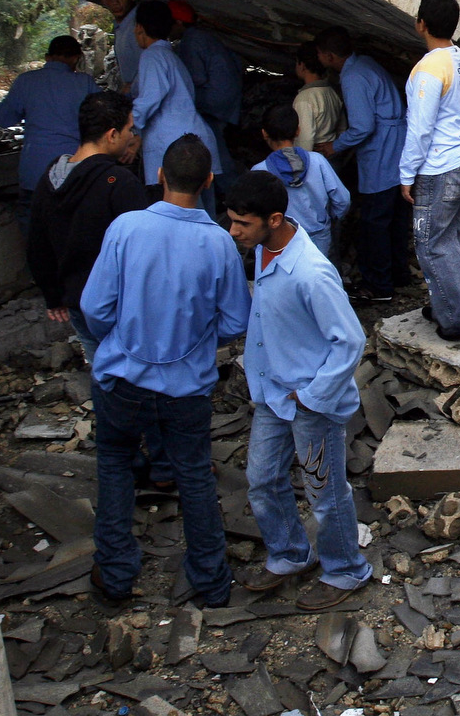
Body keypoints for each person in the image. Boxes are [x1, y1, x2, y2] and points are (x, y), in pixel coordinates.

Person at [81, 134, 250, 606]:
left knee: (114, 465)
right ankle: (211, 581)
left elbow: (95, 306)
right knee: (194, 474)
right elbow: (236, 320)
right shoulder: (219, 242)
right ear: (209, 181)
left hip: (121, 378)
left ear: (159, 174)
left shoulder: (126, 228)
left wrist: (118, 339)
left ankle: (115, 574)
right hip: (186, 386)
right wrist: (196, 343)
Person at [225, 171, 372, 611]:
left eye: (242, 224)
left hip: (309, 402)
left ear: (273, 219)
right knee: (262, 480)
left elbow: (350, 340)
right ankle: (290, 554)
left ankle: (346, 568)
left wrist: (312, 395)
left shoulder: (311, 273)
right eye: (231, 221)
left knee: (324, 493)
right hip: (272, 392)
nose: (233, 231)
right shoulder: (264, 250)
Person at [27, 90, 148, 363]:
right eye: (129, 129)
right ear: (112, 134)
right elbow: (142, 251)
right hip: (118, 304)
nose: (132, 136)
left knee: (100, 366)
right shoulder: (120, 183)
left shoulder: (50, 177)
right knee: (132, 371)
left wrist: (53, 296)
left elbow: (37, 243)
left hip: (77, 303)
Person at [400, 0, 460, 340]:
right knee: (454, 234)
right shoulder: (459, 57)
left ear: (421, 23)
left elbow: (420, 130)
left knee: (431, 241)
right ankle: (450, 304)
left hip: (442, 165)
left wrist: (406, 174)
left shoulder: (428, 69)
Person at [315, 26, 410, 301]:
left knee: (374, 222)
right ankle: (399, 274)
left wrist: (335, 146)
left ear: (330, 56)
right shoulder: (366, 62)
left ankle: (378, 285)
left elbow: (363, 127)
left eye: (321, 54)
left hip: (381, 151)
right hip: (397, 147)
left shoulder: (353, 77)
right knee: (396, 217)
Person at [0, 35, 103, 230]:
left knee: (33, 230)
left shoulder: (26, 82)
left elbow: (0, 118)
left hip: (35, 172)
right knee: (72, 231)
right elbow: (105, 114)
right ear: (76, 58)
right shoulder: (84, 83)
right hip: (74, 171)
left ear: (47, 57)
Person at [132, 0, 224, 214]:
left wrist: (131, 127)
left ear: (139, 27)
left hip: (176, 146)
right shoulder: (171, 56)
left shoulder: (152, 56)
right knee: (203, 212)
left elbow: (150, 98)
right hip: (194, 138)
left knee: (183, 211)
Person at [252, 104, 350, 258]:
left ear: (264, 133)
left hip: (279, 241)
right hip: (319, 237)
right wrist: (329, 219)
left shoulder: (259, 171)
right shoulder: (317, 161)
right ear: (298, 131)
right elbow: (343, 200)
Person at [168, 0, 244, 183]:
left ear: (178, 22)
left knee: (213, 145)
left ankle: (227, 186)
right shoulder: (203, 35)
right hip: (228, 94)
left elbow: (197, 78)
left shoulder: (190, 41)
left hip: (213, 100)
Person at [292, 41, 346, 155]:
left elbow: (305, 140)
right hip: (331, 155)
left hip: (314, 156)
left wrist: (301, 166)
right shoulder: (333, 92)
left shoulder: (304, 99)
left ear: (302, 66)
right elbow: (342, 129)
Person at [99, 0, 140, 94]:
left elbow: (155, 63)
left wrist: (133, 85)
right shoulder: (121, 26)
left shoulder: (141, 24)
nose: (115, 0)